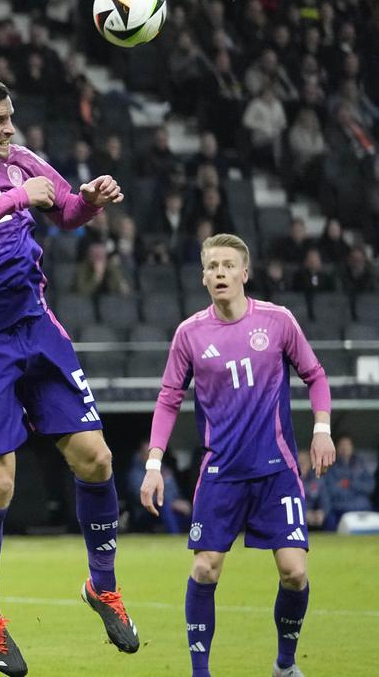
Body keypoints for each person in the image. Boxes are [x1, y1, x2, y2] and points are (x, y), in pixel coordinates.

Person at [0, 72, 136, 675]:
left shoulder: (21, 159)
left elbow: (65, 211)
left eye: (11, 118)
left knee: (97, 459)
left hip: (37, 324)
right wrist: (14, 199)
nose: (10, 129)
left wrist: (91, 199)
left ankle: (103, 586)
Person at [141, 234, 336, 677]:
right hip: (221, 472)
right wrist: (154, 465)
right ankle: (200, 673)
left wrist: (321, 430)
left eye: (229, 265)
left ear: (245, 273)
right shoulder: (190, 334)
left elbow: (316, 375)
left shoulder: (278, 321)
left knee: (294, 572)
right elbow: (169, 399)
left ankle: (284, 665)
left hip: (276, 470)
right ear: (203, 277)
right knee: (205, 568)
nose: (220, 273)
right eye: (212, 266)